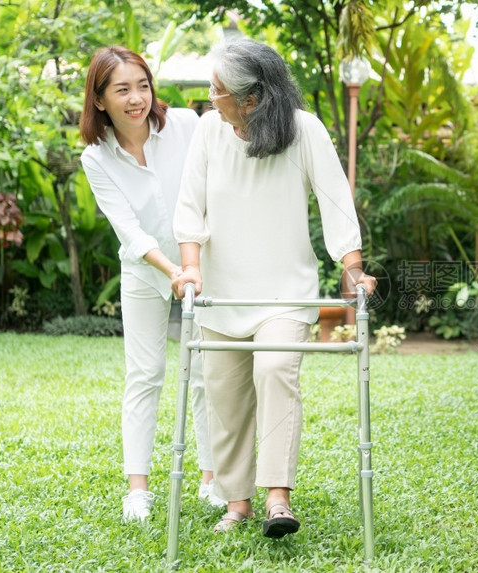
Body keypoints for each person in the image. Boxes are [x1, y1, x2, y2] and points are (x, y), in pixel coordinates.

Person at [171, 38, 377, 538]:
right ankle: (236, 502)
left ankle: (277, 498)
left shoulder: (303, 130)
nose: (210, 96)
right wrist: (191, 267)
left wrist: (353, 269)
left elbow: (335, 201)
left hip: (286, 289)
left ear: (252, 99)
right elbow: (189, 206)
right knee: (224, 394)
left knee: (275, 369)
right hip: (222, 289)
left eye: (218, 90)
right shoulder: (208, 130)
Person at [79, 46, 226, 522]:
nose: (136, 98)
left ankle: (212, 479)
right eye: (122, 89)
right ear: (99, 99)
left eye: (142, 85)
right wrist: (172, 271)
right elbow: (130, 230)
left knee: (206, 372)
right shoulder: (96, 157)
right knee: (144, 376)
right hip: (145, 269)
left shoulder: (185, 123)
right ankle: (138, 490)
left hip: (201, 264)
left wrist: (191, 266)